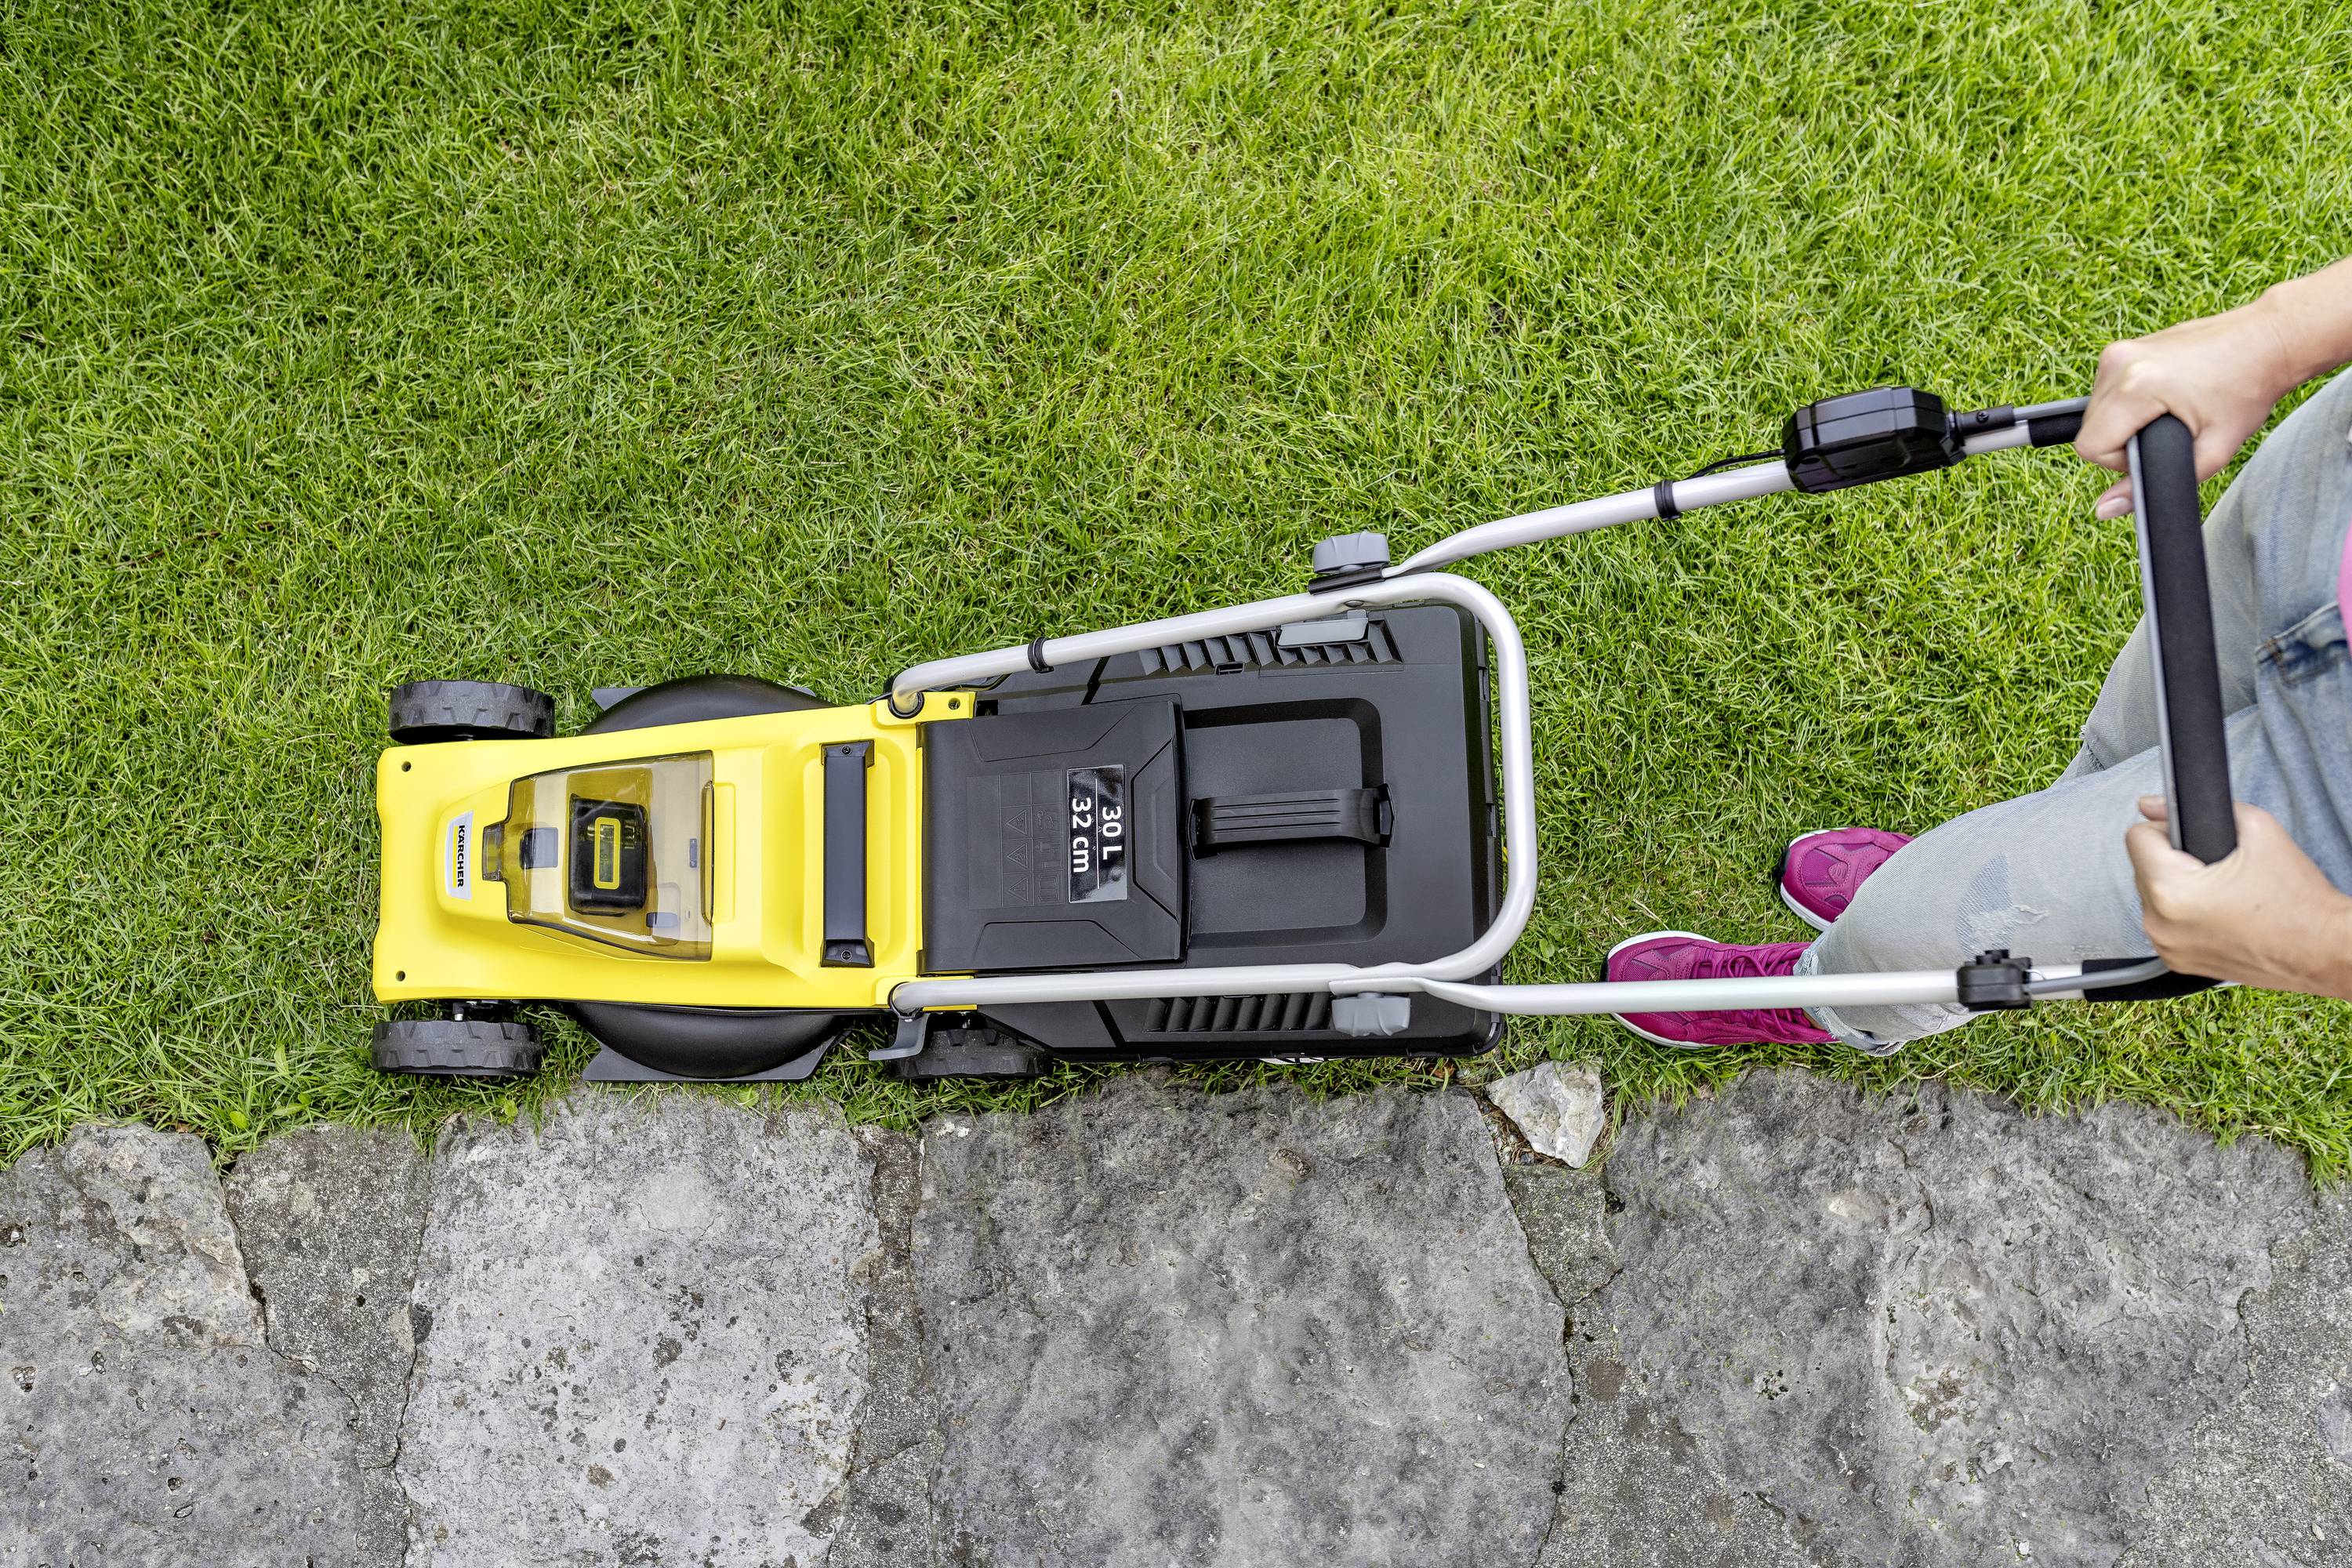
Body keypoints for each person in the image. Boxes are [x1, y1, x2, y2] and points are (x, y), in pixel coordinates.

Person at [1606, 257, 2352, 1052]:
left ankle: (1835, 991)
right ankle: (1981, 854)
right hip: (2332, 502)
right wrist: (2279, 330)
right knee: (2121, 753)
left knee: (1917, 929)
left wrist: (2314, 937)